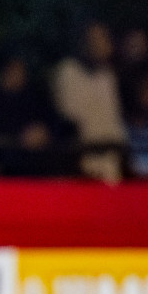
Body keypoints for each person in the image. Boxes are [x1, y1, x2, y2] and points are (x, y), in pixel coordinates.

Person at [50, 21, 126, 184]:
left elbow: (113, 123)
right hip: (79, 170)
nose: (100, 44)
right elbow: (70, 121)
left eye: (103, 38)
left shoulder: (108, 76)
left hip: (111, 168)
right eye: (94, 39)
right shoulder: (67, 72)